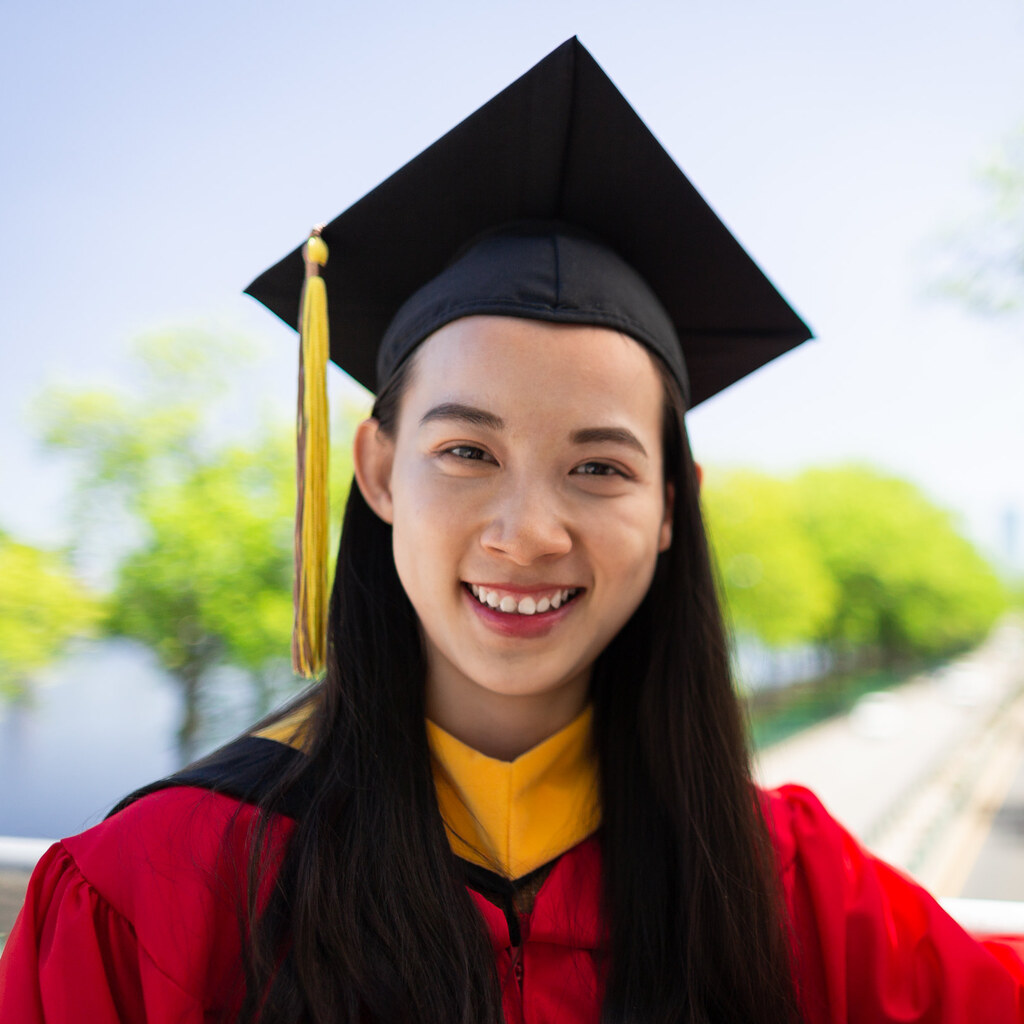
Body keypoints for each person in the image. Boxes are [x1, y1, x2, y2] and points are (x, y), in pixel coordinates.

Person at [1, 37, 1023, 1024]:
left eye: (598, 468)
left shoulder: (785, 883)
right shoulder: (155, 882)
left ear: (672, 505)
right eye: (466, 452)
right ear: (377, 470)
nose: (527, 532)